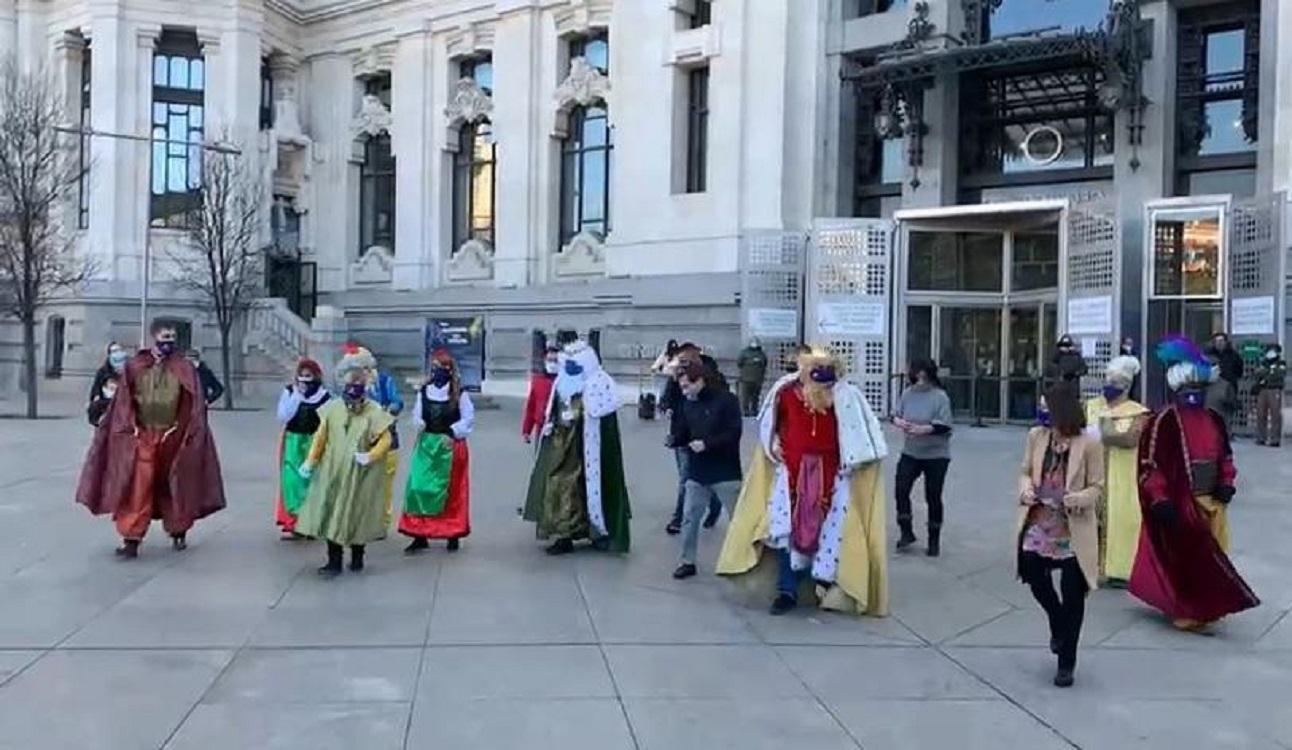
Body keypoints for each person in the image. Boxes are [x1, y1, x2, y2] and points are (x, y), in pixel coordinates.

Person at [716, 346, 889, 617]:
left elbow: (863, 437)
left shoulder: (846, 396)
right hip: (792, 475)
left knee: (832, 532)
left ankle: (827, 586)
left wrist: (854, 460)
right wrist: (774, 445)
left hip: (834, 477)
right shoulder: (785, 393)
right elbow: (769, 426)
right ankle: (787, 590)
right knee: (788, 531)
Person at [1131, 336, 1260, 632]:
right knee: (1186, 561)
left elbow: (1225, 457)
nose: (1194, 395)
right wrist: (1160, 500)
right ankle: (1187, 609)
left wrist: (1227, 483)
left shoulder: (1213, 419)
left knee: (1212, 561)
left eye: (1199, 389)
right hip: (1180, 503)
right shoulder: (1162, 421)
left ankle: (1206, 608)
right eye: (1189, 389)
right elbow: (1151, 466)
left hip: (1212, 503)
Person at [75, 321, 226, 558]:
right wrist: (129, 429)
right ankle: (132, 537)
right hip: (143, 435)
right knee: (139, 486)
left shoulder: (184, 368)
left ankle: (178, 530)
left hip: (173, 436)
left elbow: (192, 404)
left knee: (174, 483)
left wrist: (183, 430)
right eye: (165, 336)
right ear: (154, 337)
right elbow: (124, 402)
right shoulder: (136, 367)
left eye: (173, 337)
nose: (169, 341)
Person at [1016, 383, 1102, 688]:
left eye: (1046, 408)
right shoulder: (1037, 437)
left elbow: (1097, 487)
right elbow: (1026, 470)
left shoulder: (1089, 442)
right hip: (1041, 518)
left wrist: (1076, 499)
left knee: (1073, 593)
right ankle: (1056, 619)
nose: (1042, 413)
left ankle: (1067, 661)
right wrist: (1026, 489)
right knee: (1031, 570)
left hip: (1073, 525)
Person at [523, 340, 632, 555]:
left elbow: (601, 418)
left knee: (589, 492)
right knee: (560, 488)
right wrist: (551, 424)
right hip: (562, 448)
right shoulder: (562, 382)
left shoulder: (599, 383)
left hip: (587, 451)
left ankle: (597, 532)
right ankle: (564, 535)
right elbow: (552, 409)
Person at [296, 349, 396, 577]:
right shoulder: (333, 409)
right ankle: (334, 561)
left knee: (356, 514)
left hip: (358, 475)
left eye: (357, 395)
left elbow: (385, 438)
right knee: (331, 513)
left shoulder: (373, 411)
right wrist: (310, 461)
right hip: (333, 471)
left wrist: (370, 456)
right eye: (349, 395)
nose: (353, 401)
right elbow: (321, 437)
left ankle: (358, 556)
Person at [668, 358, 743, 579]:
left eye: (687, 386)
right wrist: (675, 439)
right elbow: (684, 431)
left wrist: (708, 444)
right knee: (690, 516)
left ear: (700, 380)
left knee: (737, 518)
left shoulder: (727, 401)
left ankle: (739, 559)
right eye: (681, 387)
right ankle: (687, 560)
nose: (685, 391)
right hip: (697, 471)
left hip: (725, 470)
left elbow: (734, 432)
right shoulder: (687, 403)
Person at [1083, 356, 1148, 585]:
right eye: (1109, 380)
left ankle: (1120, 569)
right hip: (1092, 472)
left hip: (1123, 477)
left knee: (1121, 522)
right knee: (1090, 520)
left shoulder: (1138, 412)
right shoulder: (1091, 406)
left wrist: (1102, 429)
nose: (1110, 385)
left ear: (1127, 386)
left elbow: (1130, 438)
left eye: (1117, 382)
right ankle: (1091, 566)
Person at [401, 349, 474, 553]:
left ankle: (452, 532)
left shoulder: (460, 393)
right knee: (417, 488)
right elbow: (416, 414)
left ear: (450, 370)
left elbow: (468, 419)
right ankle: (419, 533)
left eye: (442, 368)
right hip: (426, 445)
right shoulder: (424, 392)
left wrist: (452, 432)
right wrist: (419, 423)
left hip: (449, 445)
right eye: (434, 367)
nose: (437, 371)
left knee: (451, 492)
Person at [892, 357, 953, 557]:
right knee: (901, 488)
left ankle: (933, 539)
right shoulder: (908, 394)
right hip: (911, 450)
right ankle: (906, 530)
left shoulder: (940, 397)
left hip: (936, 454)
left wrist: (924, 429)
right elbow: (896, 414)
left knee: (933, 495)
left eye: (919, 374)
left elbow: (945, 425)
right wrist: (900, 423)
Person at [661, 343, 723, 535]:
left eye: (686, 360)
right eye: (681, 360)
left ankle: (681, 518)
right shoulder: (676, 377)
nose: (682, 364)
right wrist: (666, 407)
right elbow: (666, 398)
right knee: (686, 478)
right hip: (681, 434)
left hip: (705, 436)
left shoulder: (713, 378)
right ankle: (693, 512)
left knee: (695, 478)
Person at [347, 343, 404, 528]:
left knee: (384, 484)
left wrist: (385, 414)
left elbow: (397, 403)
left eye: (360, 368)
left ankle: (382, 521)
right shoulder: (349, 386)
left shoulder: (383, 381)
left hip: (385, 440)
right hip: (359, 442)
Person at [274, 358, 330, 539]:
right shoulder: (289, 392)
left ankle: (311, 523)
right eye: (302, 375)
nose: (305, 379)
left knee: (312, 483)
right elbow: (283, 417)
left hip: (314, 442)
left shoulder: (324, 396)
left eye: (309, 376)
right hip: (293, 441)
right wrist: (297, 396)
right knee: (292, 482)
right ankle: (294, 522)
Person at [523, 344, 560, 443]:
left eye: (555, 360)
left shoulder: (564, 382)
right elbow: (531, 406)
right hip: (541, 427)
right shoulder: (538, 381)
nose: (552, 364)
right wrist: (527, 430)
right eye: (549, 360)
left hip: (560, 429)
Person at [1205, 333, 1243, 429]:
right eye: (1217, 341)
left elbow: (1239, 370)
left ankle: (1226, 432)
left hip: (1229, 385)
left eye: (1221, 341)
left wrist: (1231, 380)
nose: (1219, 343)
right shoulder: (1208, 355)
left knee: (1228, 411)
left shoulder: (1234, 355)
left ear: (1226, 342)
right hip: (1212, 387)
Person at [1252, 344, 1285, 447]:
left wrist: (1266, 373)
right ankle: (1261, 437)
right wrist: (1269, 372)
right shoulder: (1262, 362)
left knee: (1275, 414)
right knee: (1261, 414)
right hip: (1262, 390)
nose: (1271, 352)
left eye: (1273, 350)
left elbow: (1278, 375)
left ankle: (1275, 439)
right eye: (1269, 350)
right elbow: (1257, 373)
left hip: (1274, 389)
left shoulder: (1281, 363)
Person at [736, 337, 769, 418]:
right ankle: (745, 411)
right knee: (745, 396)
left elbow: (764, 363)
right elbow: (739, 363)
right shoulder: (744, 353)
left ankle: (754, 410)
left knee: (755, 396)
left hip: (757, 379)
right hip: (746, 379)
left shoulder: (761, 353)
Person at [89, 341, 129, 407]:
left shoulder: (130, 370)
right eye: (115, 351)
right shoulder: (103, 372)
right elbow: (96, 388)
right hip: (107, 401)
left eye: (120, 350)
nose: (118, 353)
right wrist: (97, 396)